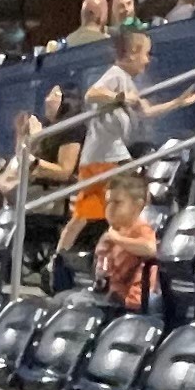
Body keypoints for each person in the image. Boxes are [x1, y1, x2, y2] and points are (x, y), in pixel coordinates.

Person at [52, 24, 153, 278]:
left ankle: (114, 256)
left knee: (122, 204)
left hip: (114, 156)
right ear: (131, 53)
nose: (148, 60)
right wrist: (120, 98)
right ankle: (56, 263)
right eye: (145, 54)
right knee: (88, 214)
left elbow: (147, 110)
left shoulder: (127, 81)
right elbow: (92, 94)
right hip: (101, 159)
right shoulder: (117, 75)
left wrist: (179, 102)